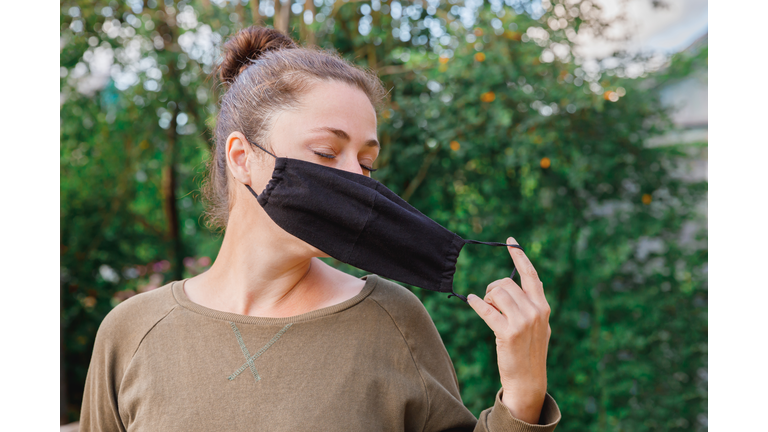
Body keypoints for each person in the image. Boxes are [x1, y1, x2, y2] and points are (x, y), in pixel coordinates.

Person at [79, 26, 561, 431]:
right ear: (242, 158)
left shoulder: (392, 320)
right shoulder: (132, 332)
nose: (355, 179)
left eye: (367, 162)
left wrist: (522, 392)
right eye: (327, 153)